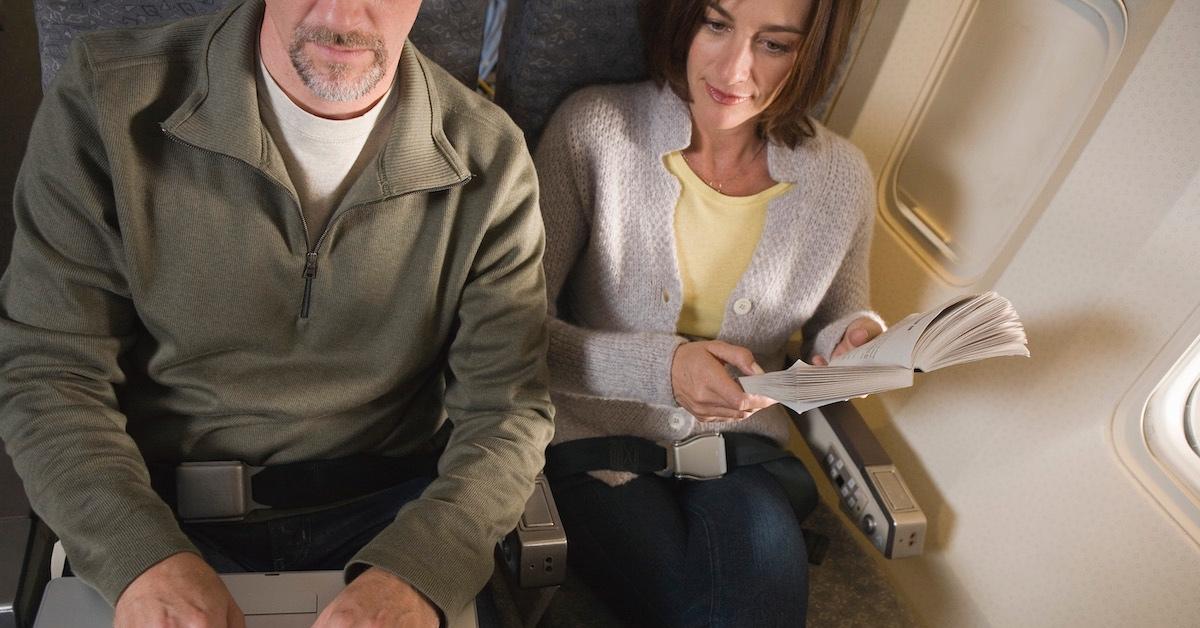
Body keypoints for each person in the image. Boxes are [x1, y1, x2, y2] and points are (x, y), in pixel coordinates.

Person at [0, 0, 553, 626]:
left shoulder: (492, 159)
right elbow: (50, 372)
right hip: (157, 509)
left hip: (394, 521)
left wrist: (423, 569)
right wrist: (138, 556)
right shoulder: (107, 103)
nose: (344, 12)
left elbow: (508, 410)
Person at [535, 0, 880, 625]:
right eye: (716, 25)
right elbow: (511, 329)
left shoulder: (843, 177)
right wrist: (662, 369)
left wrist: (854, 341)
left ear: (811, 54)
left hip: (742, 455)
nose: (735, 66)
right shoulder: (595, 130)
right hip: (596, 445)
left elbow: (838, 315)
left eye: (774, 44)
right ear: (683, 19)